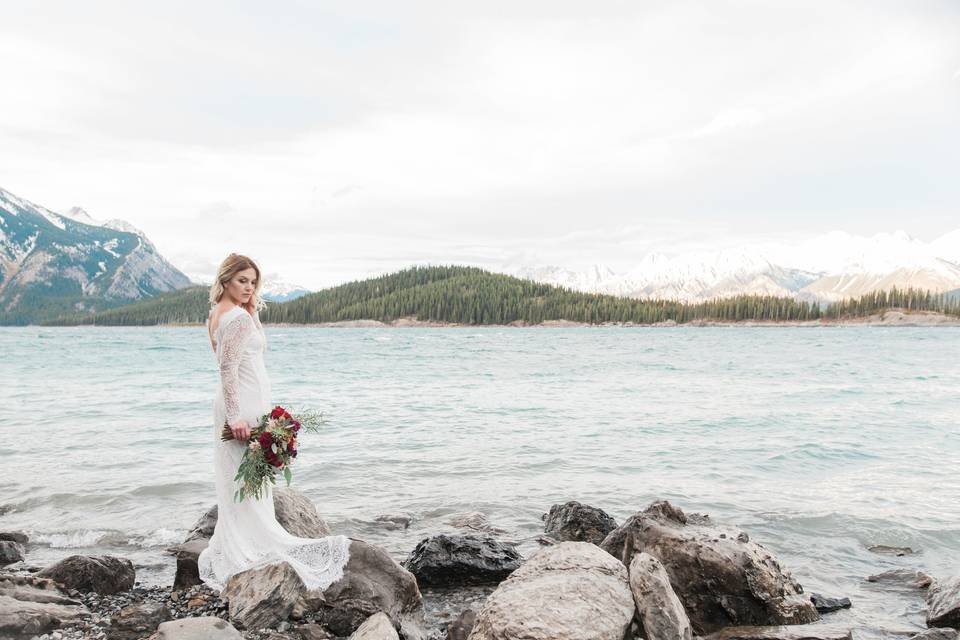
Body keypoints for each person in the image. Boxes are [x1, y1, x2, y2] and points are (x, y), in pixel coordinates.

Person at [198, 253, 350, 593]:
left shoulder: (221, 314)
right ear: (225, 281)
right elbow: (227, 369)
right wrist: (236, 416)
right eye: (242, 281)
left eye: (253, 282)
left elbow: (226, 363)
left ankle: (245, 541)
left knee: (244, 476)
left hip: (240, 401)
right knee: (246, 475)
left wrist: (251, 312)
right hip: (242, 406)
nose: (249, 287)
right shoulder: (235, 317)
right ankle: (251, 547)